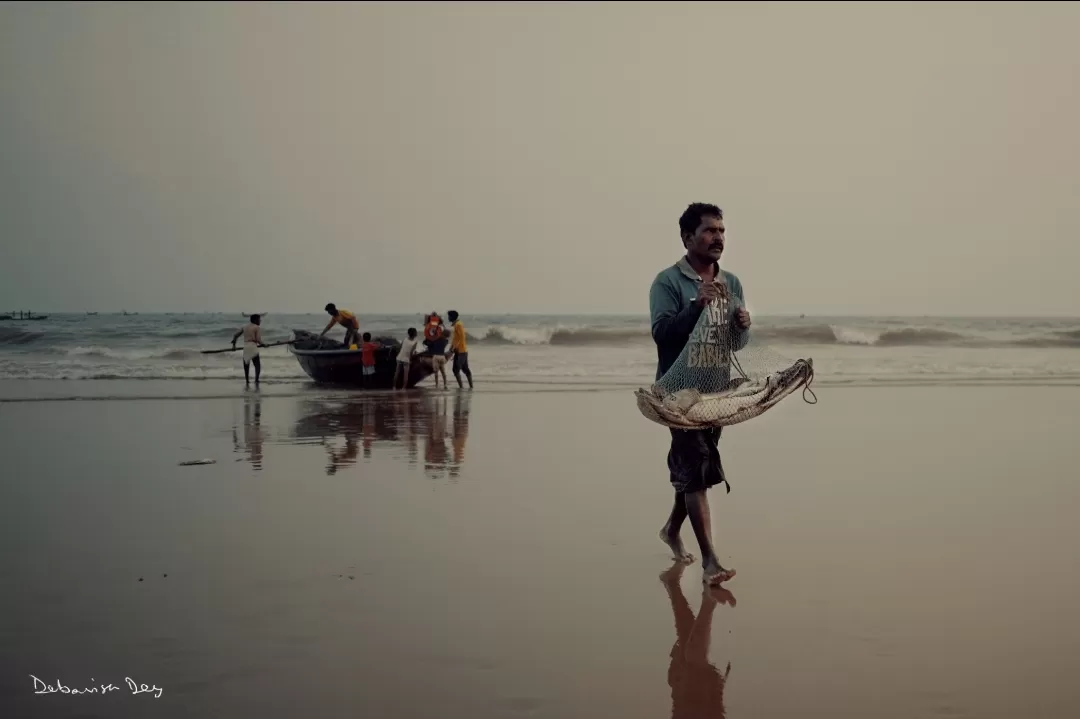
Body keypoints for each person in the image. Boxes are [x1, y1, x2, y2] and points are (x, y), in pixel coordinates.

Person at [649, 202, 751, 586]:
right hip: (678, 394)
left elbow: (736, 345)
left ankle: (671, 530)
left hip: (716, 393)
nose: (718, 237)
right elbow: (662, 334)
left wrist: (741, 326)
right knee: (695, 471)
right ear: (688, 237)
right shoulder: (667, 282)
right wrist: (697, 307)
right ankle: (711, 562)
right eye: (709, 231)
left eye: (722, 230)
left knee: (698, 472)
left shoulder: (732, 283)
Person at [231, 314, 267, 386]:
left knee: (246, 365)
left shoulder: (244, 327)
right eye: (259, 319)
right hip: (253, 346)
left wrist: (234, 346)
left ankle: (247, 381)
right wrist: (264, 344)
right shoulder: (256, 327)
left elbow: (235, 335)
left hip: (246, 346)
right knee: (257, 365)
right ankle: (256, 380)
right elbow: (258, 340)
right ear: (255, 320)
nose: (260, 321)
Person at [446, 310, 473, 389]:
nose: (448, 318)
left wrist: (454, 348)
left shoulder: (458, 325)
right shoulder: (456, 325)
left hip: (461, 351)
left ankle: (462, 387)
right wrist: (451, 348)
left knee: (456, 369)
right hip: (460, 351)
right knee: (464, 369)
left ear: (452, 317)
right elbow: (455, 339)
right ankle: (469, 387)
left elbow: (462, 338)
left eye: (449, 316)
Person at [423, 312, 449, 389]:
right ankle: (445, 385)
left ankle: (437, 385)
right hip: (442, 357)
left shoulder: (435, 340)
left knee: (436, 372)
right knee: (443, 372)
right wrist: (440, 326)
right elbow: (443, 333)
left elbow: (428, 342)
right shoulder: (445, 341)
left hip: (436, 357)